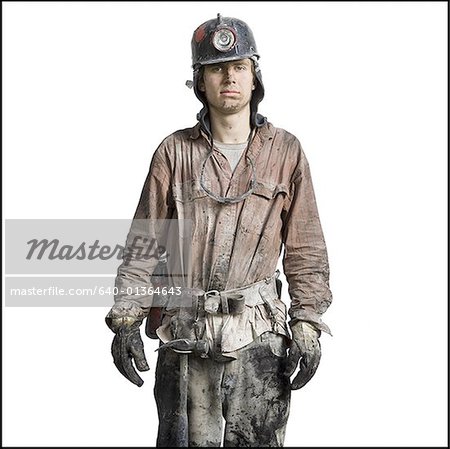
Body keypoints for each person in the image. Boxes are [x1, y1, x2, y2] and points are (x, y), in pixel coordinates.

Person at [105, 14, 332, 447]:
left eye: (239, 67)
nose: (229, 76)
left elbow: (305, 245)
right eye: (216, 68)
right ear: (199, 81)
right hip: (185, 334)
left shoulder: (286, 152)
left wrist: (307, 320)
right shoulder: (173, 153)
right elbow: (143, 247)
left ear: (254, 77)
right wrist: (128, 318)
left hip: (259, 338)